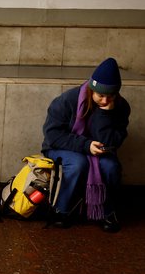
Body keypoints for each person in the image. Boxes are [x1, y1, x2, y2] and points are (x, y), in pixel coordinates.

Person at [42, 58, 130, 232]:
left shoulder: (120, 107)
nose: (105, 100)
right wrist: (86, 145)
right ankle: (61, 210)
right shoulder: (68, 100)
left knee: (111, 166)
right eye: (101, 95)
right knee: (77, 163)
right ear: (91, 90)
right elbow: (53, 135)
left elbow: (114, 140)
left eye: (110, 95)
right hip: (62, 146)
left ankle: (107, 211)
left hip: (98, 151)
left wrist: (105, 115)